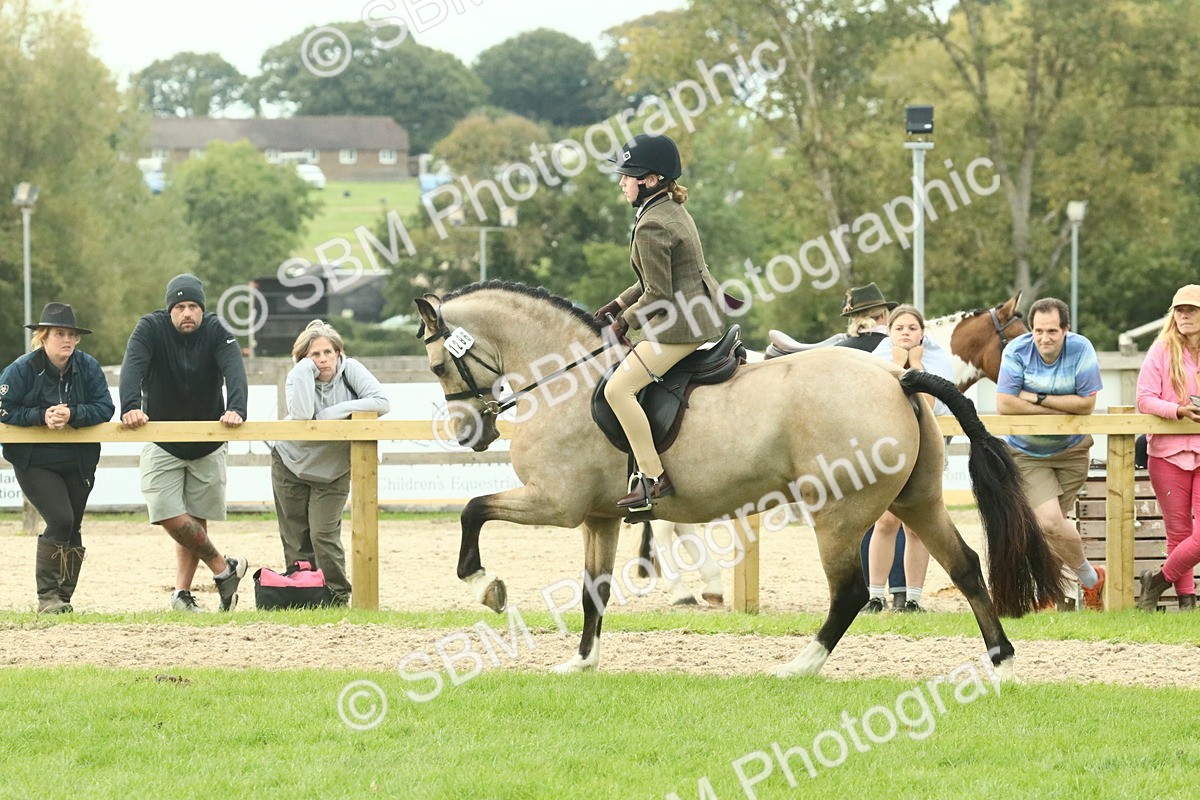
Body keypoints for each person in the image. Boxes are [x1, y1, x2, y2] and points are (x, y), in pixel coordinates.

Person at [595, 133, 726, 509]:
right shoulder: (667, 209)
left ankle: (654, 478)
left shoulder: (651, 225)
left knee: (616, 390)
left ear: (650, 180)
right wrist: (617, 303)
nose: (622, 182)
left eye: (627, 175)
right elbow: (651, 279)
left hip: (681, 326)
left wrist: (626, 322)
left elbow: (659, 295)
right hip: (696, 313)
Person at [119, 274, 249, 612]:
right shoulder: (149, 328)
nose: (187, 313)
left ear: (202, 310)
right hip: (163, 440)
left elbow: (235, 369)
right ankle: (224, 568)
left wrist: (236, 408)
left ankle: (182, 594)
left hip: (207, 441)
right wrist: (131, 406)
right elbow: (132, 366)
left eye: (193, 306)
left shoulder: (217, 330)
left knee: (197, 518)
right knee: (166, 511)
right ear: (169, 310)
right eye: (180, 307)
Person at [0, 303, 115, 613]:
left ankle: (62, 600)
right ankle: (47, 597)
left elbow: (106, 408)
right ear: (43, 337)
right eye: (59, 334)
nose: (67, 340)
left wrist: (73, 413)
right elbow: (4, 408)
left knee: (73, 524)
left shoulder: (88, 367)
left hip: (78, 459)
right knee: (60, 519)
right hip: (34, 460)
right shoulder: (22, 369)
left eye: (72, 335)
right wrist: (41, 416)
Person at [996, 297, 1106, 610]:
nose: (1044, 338)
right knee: (1048, 523)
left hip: (1072, 449)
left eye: (1052, 331)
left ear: (1066, 330)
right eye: (1038, 331)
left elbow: (1086, 403)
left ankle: (1048, 593)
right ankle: (1090, 578)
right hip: (1028, 453)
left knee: (1052, 527)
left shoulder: (1081, 348)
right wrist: (1060, 403)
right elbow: (1005, 404)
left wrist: (1036, 397)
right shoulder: (1016, 350)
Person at [271, 320, 390, 606]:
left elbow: (382, 402)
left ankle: (337, 595)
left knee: (323, 533)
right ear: (303, 359)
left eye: (328, 352)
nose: (323, 359)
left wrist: (336, 412)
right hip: (290, 461)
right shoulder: (298, 376)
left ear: (339, 352)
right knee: (296, 534)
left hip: (333, 469)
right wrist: (302, 370)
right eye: (314, 355)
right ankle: (304, 594)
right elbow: (301, 414)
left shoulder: (352, 370)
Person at [862, 304, 955, 613]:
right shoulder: (875, 361)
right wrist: (898, 364)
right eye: (899, 328)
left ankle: (913, 598)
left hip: (924, 452)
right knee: (885, 520)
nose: (906, 332)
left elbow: (928, 404)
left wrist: (914, 365)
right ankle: (876, 595)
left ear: (922, 333)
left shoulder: (937, 361)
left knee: (917, 526)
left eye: (912, 328)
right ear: (889, 333)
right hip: (888, 451)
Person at [833, 283, 909, 609]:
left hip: (849, 440)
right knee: (900, 514)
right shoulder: (895, 349)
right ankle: (902, 589)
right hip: (893, 438)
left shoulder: (840, 349)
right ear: (883, 315)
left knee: (865, 518)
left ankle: (868, 590)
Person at [1134, 284, 1200, 612]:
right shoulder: (1161, 350)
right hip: (1167, 452)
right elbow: (1144, 399)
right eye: (1179, 310)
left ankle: (1157, 580)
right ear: (1172, 315)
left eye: (1192, 309)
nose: (1185, 315)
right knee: (1178, 531)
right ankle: (1187, 603)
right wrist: (1177, 411)